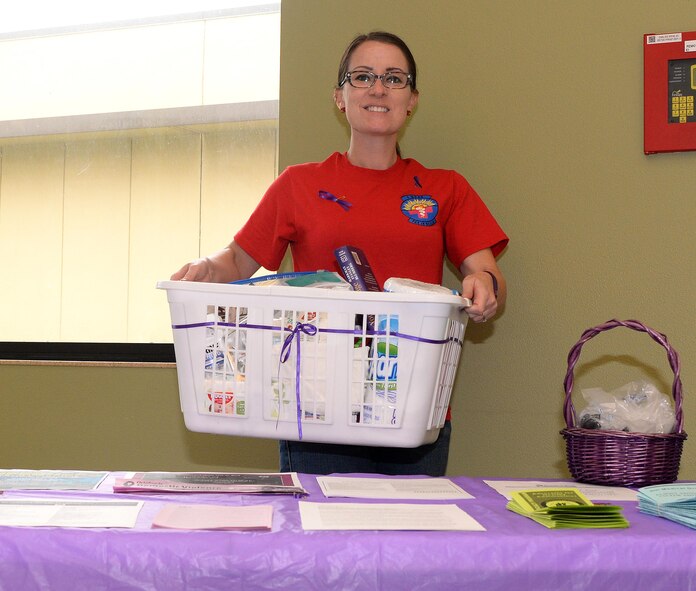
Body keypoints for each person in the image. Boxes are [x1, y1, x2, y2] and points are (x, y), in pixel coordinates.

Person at [171, 31, 508, 476]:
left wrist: (484, 286)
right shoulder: (298, 184)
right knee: (319, 540)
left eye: (394, 78)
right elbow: (235, 262)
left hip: (410, 403)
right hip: (316, 405)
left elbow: (486, 271)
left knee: (411, 542)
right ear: (340, 97)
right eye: (363, 76)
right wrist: (204, 268)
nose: (378, 88)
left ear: (412, 100)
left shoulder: (446, 188)